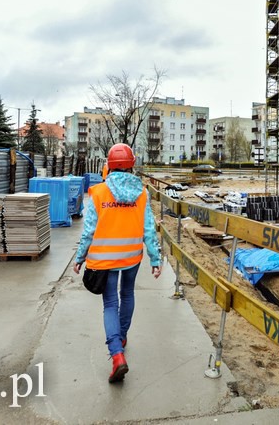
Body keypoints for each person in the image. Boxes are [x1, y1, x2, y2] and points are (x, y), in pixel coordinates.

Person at [73, 143, 161, 383]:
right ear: (132, 164)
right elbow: (149, 228)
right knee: (128, 295)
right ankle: (121, 336)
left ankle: (117, 354)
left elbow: (89, 229)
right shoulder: (142, 193)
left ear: (109, 165)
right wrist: (155, 258)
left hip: (104, 259)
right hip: (132, 256)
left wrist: (80, 257)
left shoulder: (99, 192)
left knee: (110, 303)